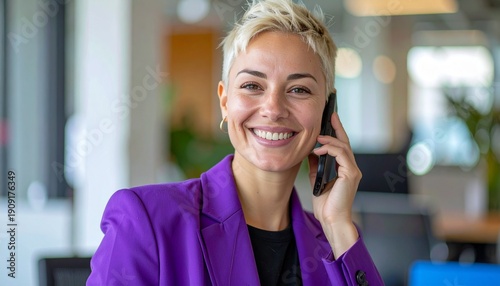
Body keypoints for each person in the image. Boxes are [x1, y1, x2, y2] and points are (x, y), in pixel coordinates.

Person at [87, 0, 383, 285]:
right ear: (225, 101)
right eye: (252, 85)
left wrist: (337, 224)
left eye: (299, 89)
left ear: (328, 111)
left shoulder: (333, 239)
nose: (273, 108)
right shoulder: (147, 220)